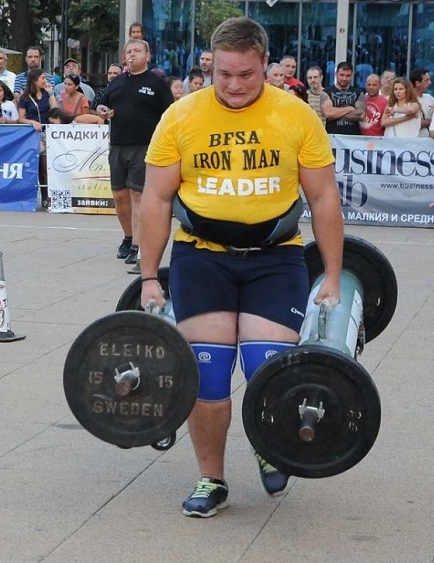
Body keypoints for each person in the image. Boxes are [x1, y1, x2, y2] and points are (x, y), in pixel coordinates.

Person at [139, 16, 343, 519]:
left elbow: (322, 198)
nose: (233, 85)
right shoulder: (181, 116)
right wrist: (147, 277)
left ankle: (267, 444)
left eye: (246, 74)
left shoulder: (296, 116)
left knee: (266, 371)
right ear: (212, 65)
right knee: (207, 378)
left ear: (265, 66)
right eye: (223, 74)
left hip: (276, 259)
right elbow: (156, 199)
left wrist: (334, 275)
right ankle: (212, 479)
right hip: (201, 258)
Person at [95, 38, 173, 271]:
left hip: (144, 147)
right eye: (128, 51)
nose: (132, 55)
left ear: (147, 56)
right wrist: (102, 111)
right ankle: (128, 238)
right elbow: (99, 105)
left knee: (138, 196)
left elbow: (169, 114)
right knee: (119, 196)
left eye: (137, 51)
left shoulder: (157, 83)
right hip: (118, 145)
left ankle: (139, 247)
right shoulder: (117, 82)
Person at [18, 68, 59, 207]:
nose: (45, 81)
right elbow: (21, 118)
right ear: (35, 81)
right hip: (32, 134)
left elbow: (55, 111)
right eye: (42, 78)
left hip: (46, 133)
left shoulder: (47, 94)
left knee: (45, 167)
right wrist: (32, 122)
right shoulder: (25, 97)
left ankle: (46, 197)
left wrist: (51, 93)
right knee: (31, 166)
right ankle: (28, 197)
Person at [321, 61, 364, 135]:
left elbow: (361, 115)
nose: (344, 78)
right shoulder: (326, 92)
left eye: (348, 76)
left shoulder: (358, 93)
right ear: (336, 74)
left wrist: (336, 114)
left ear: (351, 76)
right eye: (342, 75)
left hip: (353, 138)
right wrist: (349, 109)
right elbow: (328, 114)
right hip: (333, 138)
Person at [409, 67, 434, 136]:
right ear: (417, 83)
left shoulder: (429, 97)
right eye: (426, 80)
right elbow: (414, 123)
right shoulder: (408, 100)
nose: (430, 83)